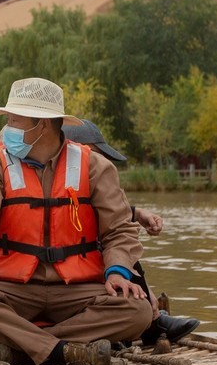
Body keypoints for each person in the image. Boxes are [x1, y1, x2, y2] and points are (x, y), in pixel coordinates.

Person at [0, 77, 153, 365]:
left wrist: (116, 271)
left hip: (76, 287)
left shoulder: (95, 166)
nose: (8, 128)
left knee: (138, 311)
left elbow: (119, 230)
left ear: (42, 125)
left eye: (14, 120)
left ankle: (29, 348)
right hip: (11, 287)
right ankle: (63, 351)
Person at [62, 118, 199, 344]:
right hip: (64, 280)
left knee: (122, 242)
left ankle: (150, 316)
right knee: (112, 244)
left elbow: (100, 213)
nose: (100, 163)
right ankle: (152, 320)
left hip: (81, 271)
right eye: (95, 156)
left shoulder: (87, 179)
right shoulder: (56, 181)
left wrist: (135, 212)